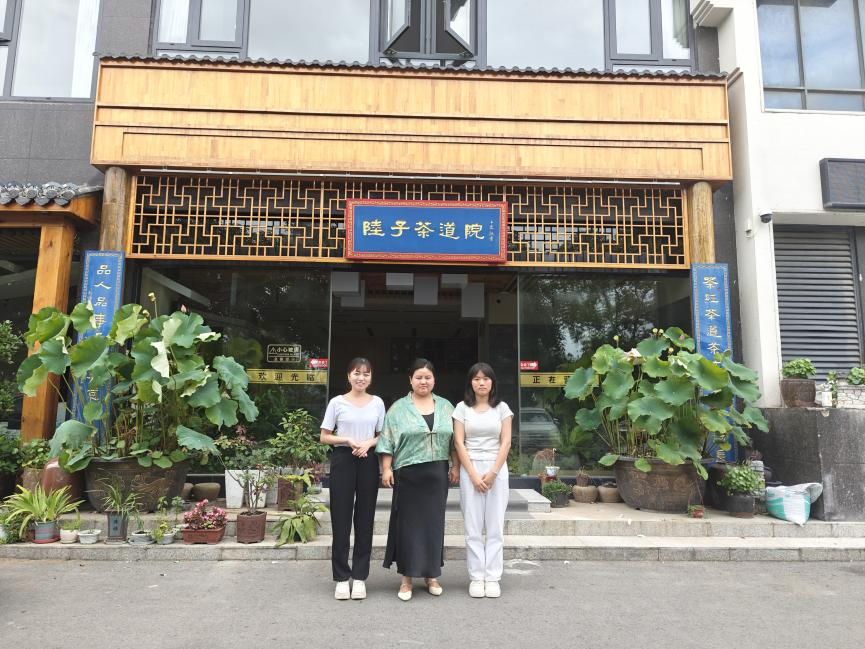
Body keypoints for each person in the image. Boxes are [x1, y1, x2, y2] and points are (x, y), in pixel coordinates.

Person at [378, 358, 459, 601]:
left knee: (434, 525)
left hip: (437, 474)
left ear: (434, 380)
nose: (423, 381)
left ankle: (431, 575)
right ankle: (407, 578)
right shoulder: (398, 408)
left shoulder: (446, 406)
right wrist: (386, 468)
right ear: (410, 380)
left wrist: (455, 466)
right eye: (418, 377)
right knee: (408, 526)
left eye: (428, 377)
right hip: (408, 473)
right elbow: (387, 439)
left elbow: (454, 441)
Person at [320, 357, 385, 601]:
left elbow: (383, 435)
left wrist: (369, 442)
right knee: (341, 519)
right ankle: (341, 577)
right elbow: (324, 436)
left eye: (366, 374)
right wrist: (346, 439)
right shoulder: (337, 403)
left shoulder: (377, 403)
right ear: (348, 376)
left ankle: (359, 577)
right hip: (343, 460)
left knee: (365, 519)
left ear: (371, 377)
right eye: (357, 373)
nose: (361, 378)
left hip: (368, 460)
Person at [452, 362, 513, 598]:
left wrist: (493, 472)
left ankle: (493, 577)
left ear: (492, 382)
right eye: (476, 379)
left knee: (495, 526)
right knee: (473, 527)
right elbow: (459, 443)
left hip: (497, 468)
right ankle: (477, 577)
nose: (481, 383)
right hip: (471, 468)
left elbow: (506, 442)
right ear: (471, 383)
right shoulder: (461, 409)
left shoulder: (502, 409)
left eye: (485, 379)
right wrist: (474, 475)